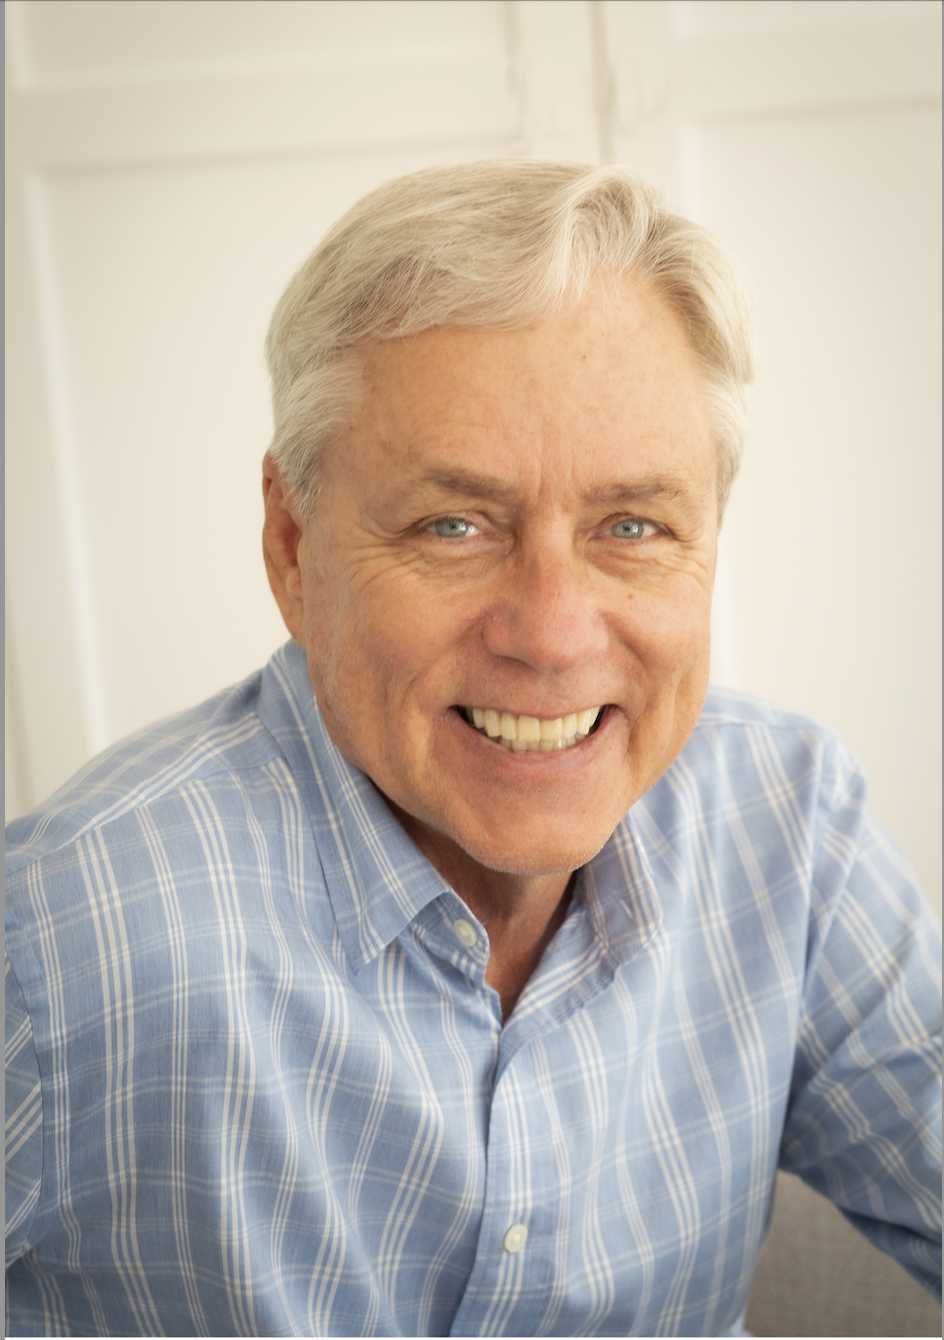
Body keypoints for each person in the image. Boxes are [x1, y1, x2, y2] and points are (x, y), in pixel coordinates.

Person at [5, 159, 940, 1338]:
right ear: (292, 544)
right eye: (453, 524)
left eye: (633, 526)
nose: (550, 635)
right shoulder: (63, 931)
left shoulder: (789, 824)